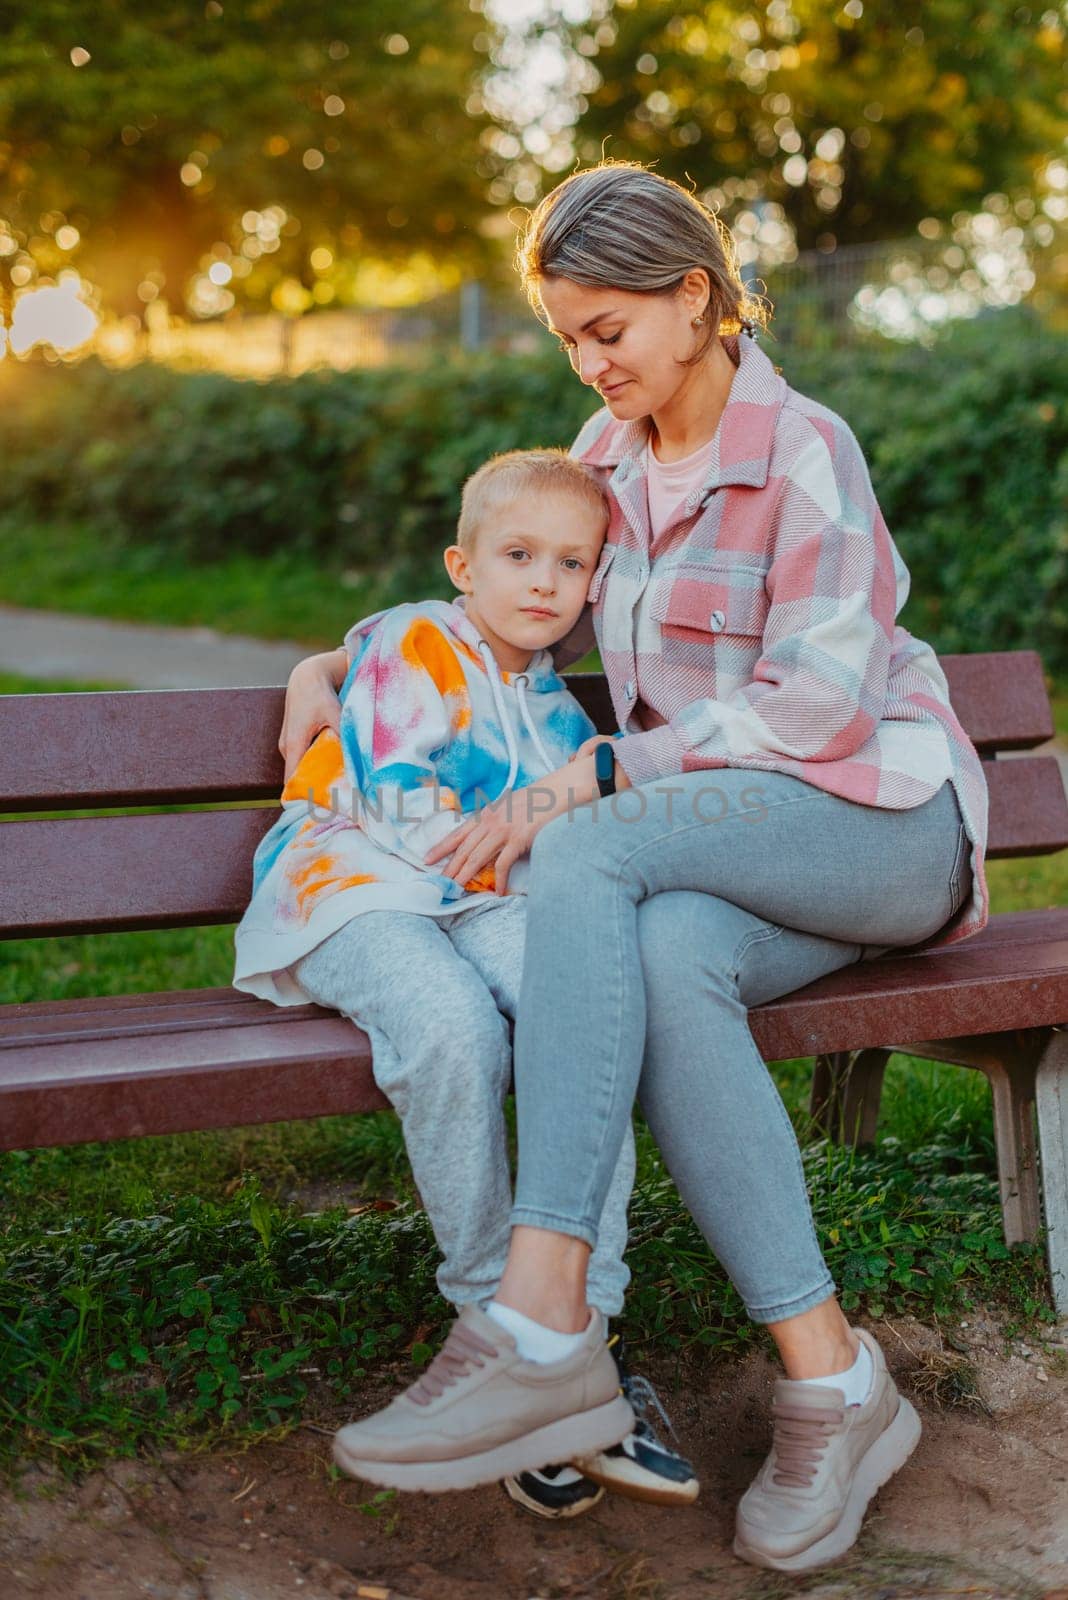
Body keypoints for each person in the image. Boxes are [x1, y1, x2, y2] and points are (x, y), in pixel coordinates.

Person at [278, 163, 988, 1574]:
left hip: (881, 826)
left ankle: (540, 1315)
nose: (586, 361)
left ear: (696, 298)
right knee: (664, 964)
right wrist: (342, 653)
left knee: (593, 838)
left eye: (607, 329)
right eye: (566, 337)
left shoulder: (804, 453)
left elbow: (825, 710)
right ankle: (835, 1382)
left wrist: (605, 767)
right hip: (729, 863)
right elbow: (504, 589)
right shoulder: (604, 462)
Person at [234, 446, 698, 1520]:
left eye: (570, 562)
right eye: (519, 554)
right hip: (354, 889)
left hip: (482, 897)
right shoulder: (413, 639)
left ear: (594, 586)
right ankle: (497, 1325)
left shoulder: (564, 717)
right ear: (464, 563)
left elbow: (578, 827)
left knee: (586, 1017)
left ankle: (577, 1330)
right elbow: (403, 810)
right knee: (453, 1029)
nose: (542, 580)